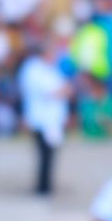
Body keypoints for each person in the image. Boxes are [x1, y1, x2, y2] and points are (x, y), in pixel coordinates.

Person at [17, 42, 71, 195]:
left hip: (51, 120)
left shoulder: (48, 69)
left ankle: (46, 185)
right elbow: (53, 92)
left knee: (50, 154)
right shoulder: (34, 69)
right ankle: (43, 187)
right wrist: (64, 90)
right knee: (45, 155)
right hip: (42, 120)